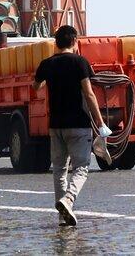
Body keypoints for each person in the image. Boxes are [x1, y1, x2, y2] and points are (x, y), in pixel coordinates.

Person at [32, 25, 112, 227]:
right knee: (82, 167)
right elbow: (89, 93)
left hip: (56, 125)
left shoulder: (47, 64)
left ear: (56, 43)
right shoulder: (80, 63)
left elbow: (36, 87)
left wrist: (48, 77)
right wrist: (101, 123)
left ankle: (63, 216)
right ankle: (68, 200)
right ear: (75, 41)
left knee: (59, 170)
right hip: (78, 124)